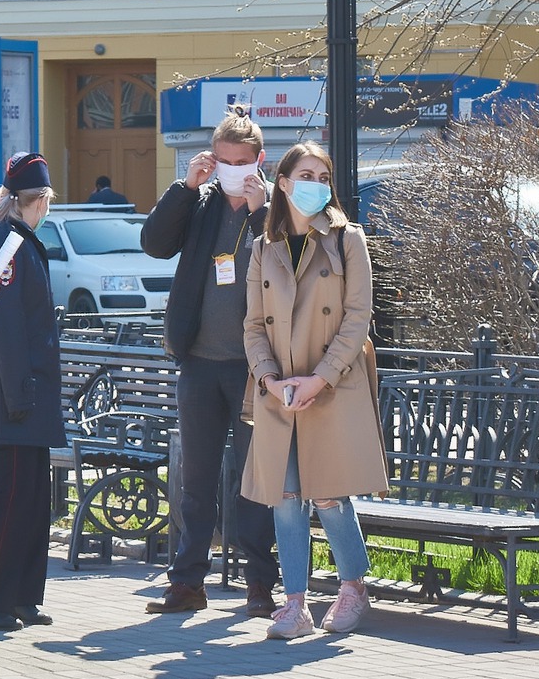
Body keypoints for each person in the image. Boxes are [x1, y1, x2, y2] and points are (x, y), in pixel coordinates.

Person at [242, 141, 387, 639]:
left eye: (324, 178)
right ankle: (295, 603)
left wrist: (319, 378)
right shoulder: (263, 248)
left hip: (333, 384)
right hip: (279, 391)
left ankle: (352, 587)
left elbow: (357, 319)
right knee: (284, 496)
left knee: (328, 495)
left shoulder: (349, 240)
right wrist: (269, 378)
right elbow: (253, 326)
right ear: (282, 183)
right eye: (306, 175)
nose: (316, 186)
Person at [140, 108, 281, 617]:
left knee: (255, 481)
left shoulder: (275, 208)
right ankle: (187, 584)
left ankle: (260, 585)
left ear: (259, 161)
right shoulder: (199, 202)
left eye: (240, 162)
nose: (231, 170)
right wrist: (184, 187)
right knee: (196, 481)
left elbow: (290, 265)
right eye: (222, 161)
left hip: (254, 367)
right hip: (199, 360)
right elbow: (154, 244)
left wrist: (262, 210)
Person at [0, 152, 66, 632]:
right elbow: (3, 328)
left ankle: (22, 595)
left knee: (30, 498)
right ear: (38, 201)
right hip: (15, 394)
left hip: (23, 390)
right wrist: (20, 395)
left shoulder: (12, 239)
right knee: (10, 498)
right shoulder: (6, 245)